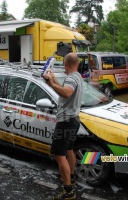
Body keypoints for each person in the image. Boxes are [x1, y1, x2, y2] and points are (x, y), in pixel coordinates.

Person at [43, 53, 83, 200]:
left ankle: (68, 193)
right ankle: (70, 179)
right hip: (73, 120)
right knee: (69, 150)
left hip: (65, 122)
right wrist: (52, 80)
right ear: (77, 64)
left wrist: (52, 84)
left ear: (65, 65)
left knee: (59, 156)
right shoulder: (78, 76)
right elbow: (64, 91)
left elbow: (66, 92)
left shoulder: (71, 78)